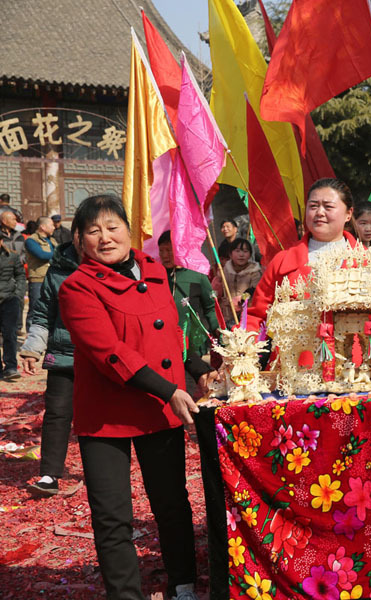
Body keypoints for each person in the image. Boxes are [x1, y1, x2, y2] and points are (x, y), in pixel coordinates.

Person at [58, 195, 212, 600]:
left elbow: (172, 338)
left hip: (159, 408)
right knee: (113, 517)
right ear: (80, 240)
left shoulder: (157, 272)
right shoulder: (77, 288)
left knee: (171, 503)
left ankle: (183, 584)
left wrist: (199, 369)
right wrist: (171, 390)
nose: (105, 238)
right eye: (93, 231)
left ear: (130, 229)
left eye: (113, 227)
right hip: (108, 414)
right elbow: (111, 353)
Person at [247, 178, 358, 333]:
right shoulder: (282, 262)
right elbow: (257, 316)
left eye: (328, 206)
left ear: (348, 213)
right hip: (294, 356)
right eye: (313, 206)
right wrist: (242, 344)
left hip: (354, 354)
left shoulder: (369, 262)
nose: (319, 212)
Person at [19, 238, 80, 496]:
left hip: (102, 359)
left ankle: (101, 471)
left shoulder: (115, 270)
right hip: (62, 355)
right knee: (56, 414)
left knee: (100, 417)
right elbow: (43, 313)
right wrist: (32, 349)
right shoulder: (57, 272)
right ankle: (49, 475)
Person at [157, 231, 220, 365]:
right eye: (161, 251)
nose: (164, 255)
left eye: (169, 250)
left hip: (191, 342)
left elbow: (210, 308)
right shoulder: (156, 277)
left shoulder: (197, 276)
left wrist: (219, 330)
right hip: (163, 342)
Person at [212, 237, 263, 317]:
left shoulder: (255, 272)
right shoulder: (225, 269)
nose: (241, 255)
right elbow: (217, 293)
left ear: (250, 255)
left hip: (246, 314)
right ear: (230, 254)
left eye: (245, 251)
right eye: (237, 251)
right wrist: (218, 279)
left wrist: (239, 299)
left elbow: (256, 293)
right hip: (227, 314)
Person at [23, 216, 58, 329]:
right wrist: (58, 255)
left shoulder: (52, 240)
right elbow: (41, 255)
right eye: (51, 225)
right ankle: (30, 335)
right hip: (38, 279)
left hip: (52, 277)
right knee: (35, 308)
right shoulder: (31, 240)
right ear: (43, 227)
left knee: (52, 307)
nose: (54, 227)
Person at [0, 232, 25, 380]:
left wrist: (18, 294)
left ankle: (10, 367)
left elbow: (20, 275)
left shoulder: (12, 256)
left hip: (10, 299)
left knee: (10, 334)